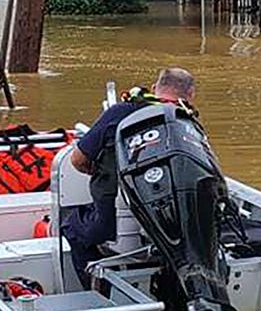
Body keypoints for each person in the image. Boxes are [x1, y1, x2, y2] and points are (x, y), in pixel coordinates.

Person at [62, 67, 197, 286]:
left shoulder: (120, 112)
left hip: (114, 223)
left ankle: (99, 293)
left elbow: (77, 160)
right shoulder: (188, 124)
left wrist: (101, 172)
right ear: (190, 95)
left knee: (71, 226)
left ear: (155, 88)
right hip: (177, 227)